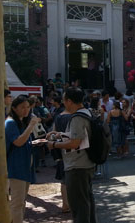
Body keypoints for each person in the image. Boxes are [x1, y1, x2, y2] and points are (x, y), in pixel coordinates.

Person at [47, 87, 97, 223]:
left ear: (69, 101)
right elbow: (80, 138)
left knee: (79, 205)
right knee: (87, 201)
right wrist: (61, 135)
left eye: (64, 100)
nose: (63, 103)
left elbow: (75, 143)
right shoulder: (87, 113)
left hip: (76, 166)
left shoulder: (77, 118)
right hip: (87, 163)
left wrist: (54, 145)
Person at [5, 95, 41, 223]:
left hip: (25, 167)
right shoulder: (10, 123)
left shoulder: (20, 121)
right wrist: (31, 126)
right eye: (22, 107)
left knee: (21, 201)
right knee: (17, 202)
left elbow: (23, 141)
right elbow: (18, 142)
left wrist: (35, 142)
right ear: (14, 108)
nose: (26, 110)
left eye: (27, 107)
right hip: (16, 168)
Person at [51, 107, 72, 213]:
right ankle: (71, 204)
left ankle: (65, 204)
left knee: (64, 181)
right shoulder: (74, 117)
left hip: (60, 149)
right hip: (72, 150)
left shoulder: (58, 117)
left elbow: (53, 133)